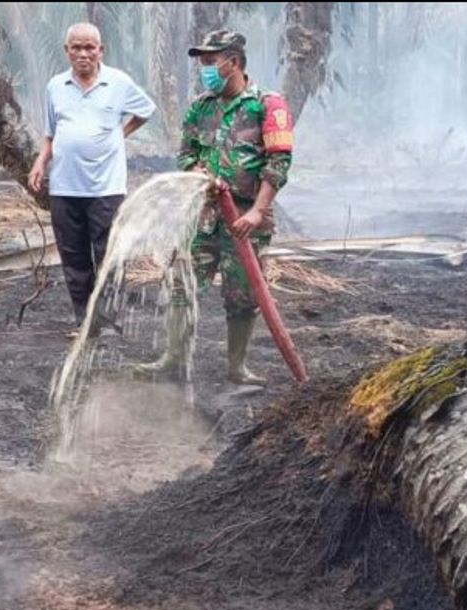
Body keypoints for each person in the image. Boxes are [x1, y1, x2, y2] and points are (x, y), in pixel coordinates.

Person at [134, 30, 294, 387]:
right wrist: (196, 171)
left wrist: (256, 211)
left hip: (246, 222)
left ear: (232, 62)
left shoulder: (268, 105)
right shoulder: (201, 107)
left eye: (209, 62)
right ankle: (172, 359)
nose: (204, 69)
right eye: (203, 62)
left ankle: (237, 368)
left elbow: (279, 162)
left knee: (243, 295)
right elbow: (187, 153)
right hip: (203, 218)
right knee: (183, 285)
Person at [28, 22, 156, 335]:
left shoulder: (118, 83)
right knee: (74, 259)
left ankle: (109, 321)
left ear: (101, 50)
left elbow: (146, 110)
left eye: (90, 48)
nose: (83, 54)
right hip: (64, 187)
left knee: (109, 256)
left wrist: (119, 134)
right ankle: (85, 323)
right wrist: (40, 162)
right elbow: (51, 134)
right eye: (77, 47)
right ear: (67, 51)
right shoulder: (55, 87)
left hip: (106, 188)